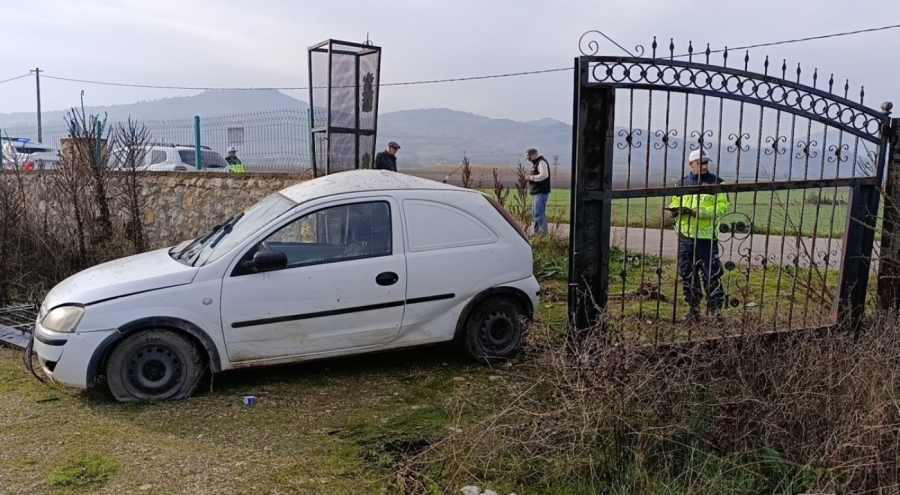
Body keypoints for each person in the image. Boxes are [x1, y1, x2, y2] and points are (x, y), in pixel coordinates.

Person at [668, 149, 730, 324]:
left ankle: (716, 312)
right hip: (686, 237)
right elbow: (675, 202)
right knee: (687, 273)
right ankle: (693, 310)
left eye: (706, 163)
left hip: (707, 238)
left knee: (711, 274)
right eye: (700, 163)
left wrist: (700, 212)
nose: (704, 166)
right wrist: (673, 211)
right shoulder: (682, 183)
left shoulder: (717, 183)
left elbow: (723, 207)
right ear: (691, 164)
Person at [525, 148, 551, 235]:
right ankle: (539, 232)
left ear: (535, 155)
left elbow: (544, 175)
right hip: (537, 192)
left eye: (529, 157)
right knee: (536, 213)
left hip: (540, 192)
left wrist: (531, 178)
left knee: (538, 213)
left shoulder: (541, 162)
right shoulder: (537, 163)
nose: (529, 159)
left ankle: (541, 233)